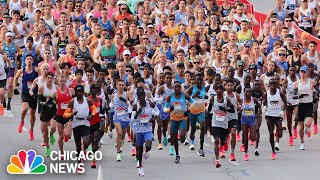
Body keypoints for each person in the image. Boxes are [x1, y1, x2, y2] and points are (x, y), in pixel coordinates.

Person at [63, 84, 97, 174]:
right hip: (76, 124)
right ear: (76, 92)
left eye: (81, 91)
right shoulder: (72, 102)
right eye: (78, 91)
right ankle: (79, 165)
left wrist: (91, 115)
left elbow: (94, 110)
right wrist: (71, 114)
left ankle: (84, 148)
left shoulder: (88, 101)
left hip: (85, 123)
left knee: (86, 141)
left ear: (83, 92)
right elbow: (65, 114)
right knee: (78, 146)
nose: (79, 93)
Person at [164, 81, 193, 163]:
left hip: (182, 118)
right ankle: (177, 155)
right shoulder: (170, 97)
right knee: (174, 138)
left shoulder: (184, 96)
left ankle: (183, 138)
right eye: (175, 87)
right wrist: (169, 109)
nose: (177, 88)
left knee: (182, 136)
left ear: (181, 88)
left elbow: (193, 102)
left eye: (178, 87)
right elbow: (165, 108)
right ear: (173, 88)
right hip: (173, 119)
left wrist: (189, 110)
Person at [14, 54, 39, 140]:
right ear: (25, 61)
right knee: (24, 108)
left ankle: (31, 130)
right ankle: (22, 122)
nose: (29, 60)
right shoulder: (21, 71)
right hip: (25, 93)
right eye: (27, 59)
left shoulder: (36, 70)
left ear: (32, 61)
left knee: (32, 114)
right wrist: (14, 87)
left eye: (30, 59)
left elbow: (41, 79)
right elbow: (15, 78)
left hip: (34, 94)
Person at [208, 84, 234, 168]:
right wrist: (208, 111)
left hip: (224, 123)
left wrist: (225, 109)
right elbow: (209, 109)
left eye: (220, 89)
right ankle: (217, 160)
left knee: (222, 141)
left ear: (223, 91)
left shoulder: (227, 100)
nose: (219, 90)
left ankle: (225, 141)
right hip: (215, 122)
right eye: (217, 89)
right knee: (216, 140)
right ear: (215, 90)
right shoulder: (213, 99)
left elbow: (233, 110)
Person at [132, 86, 155, 176]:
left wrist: (153, 119)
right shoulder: (135, 106)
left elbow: (157, 111)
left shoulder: (149, 104)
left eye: (142, 94)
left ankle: (146, 151)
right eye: (139, 95)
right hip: (139, 130)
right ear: (137, 96)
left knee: (148, 145)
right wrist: (138, 113)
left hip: (148, 129)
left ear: (144, 95)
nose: (141, 96)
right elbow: (132, 120)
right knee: (139, 151)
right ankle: (140, 166)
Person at [293, 66, 316, 150]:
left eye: (304, 72)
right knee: (301, 126)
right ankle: (302, 142)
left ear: (307, 73)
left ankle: (308, 128)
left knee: (307, 123)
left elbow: (315, 90)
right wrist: (298, 96)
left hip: (309, 104)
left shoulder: (311, 82)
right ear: (299, 73)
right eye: (301, 72)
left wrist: (314, 94)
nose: (303, 74)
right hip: (301, 105)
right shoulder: (296, 83)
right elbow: (294, 95)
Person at [263, 78, 287, 160]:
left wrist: (282, 110)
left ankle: (278, 131)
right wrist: (264, 108)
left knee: (279, 134)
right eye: (271, 84)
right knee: (270, 133)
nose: (273, 86)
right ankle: (273, 151)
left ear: (277, 85)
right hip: (269, 115)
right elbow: (264, 102)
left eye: (274, 84)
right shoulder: (266, 94)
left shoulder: (280, 93)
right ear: (269, 85)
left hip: (278, 115)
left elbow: (286, 103)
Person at [51, 75, 74, 157]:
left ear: (66, 82)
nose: (62, 83)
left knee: (68, 135)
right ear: (58, 82)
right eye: (61, 81)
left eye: (64, 81)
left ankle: (66, 131)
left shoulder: (71, 91)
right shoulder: (55, 93)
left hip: (68, 115)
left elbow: (76, 100)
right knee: (60, 136)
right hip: (59, 116)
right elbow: (51, 104)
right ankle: (61, 152)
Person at [111, 79, 134, 162]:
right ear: (116, 86)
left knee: (122, 135)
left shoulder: (127, 94)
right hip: (117, 117)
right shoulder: (113, 95)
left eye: (122, 85)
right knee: (119, 133)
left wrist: (129, 101)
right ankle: (118, 153)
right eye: (119, 85)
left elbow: (132, 101)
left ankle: (121, 141)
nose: (121, 87)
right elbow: (112, 106)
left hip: (125, 118)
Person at [185, 73, 207, 156]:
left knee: (203, 126)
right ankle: (192, 138)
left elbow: (207, 98)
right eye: (197, 80)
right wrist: (194, 95)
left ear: (202, 81)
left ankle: (201, 148)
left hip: (201, 111)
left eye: (200, 80)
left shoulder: (205, 89)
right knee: (193, 129)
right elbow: (185, 96)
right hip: (192, 111)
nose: (199, 81)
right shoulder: (192, 88)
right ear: (195, 80)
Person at [38, 71, 57, 157]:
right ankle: (48, 148)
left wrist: (52, 102)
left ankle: (52, 134)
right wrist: (44, 104)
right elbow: (39, 100)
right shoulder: (42, 88)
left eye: (51, 78)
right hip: (44, 111)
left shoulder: (56, 88)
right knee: (44, 132)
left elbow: (58, 98)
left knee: (53, 127)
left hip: (53, 110)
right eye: (48, 78)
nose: (49, 80)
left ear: (53, 79)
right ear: (46, 79)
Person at [241, 86, 261, 161]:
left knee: (253, 138)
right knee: (245, 137)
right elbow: (238, 107)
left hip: (252, 119)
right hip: (244, 119)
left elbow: (259, 107)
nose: (248, 93)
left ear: (251, 92)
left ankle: (251, 134)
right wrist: (239, 110)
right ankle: (246, 153)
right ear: (244, 92)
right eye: (246, 91)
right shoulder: (242, 100)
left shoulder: (254, 100)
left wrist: (258, 113)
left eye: (249, 91)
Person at [282, 66, 298, 146]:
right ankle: (290, 136)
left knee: (297, 116)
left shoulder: (298, 79)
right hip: (289, 102)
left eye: (293, 70)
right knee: (289, 122)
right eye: (290, 70)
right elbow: (283, 90)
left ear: (295, 71)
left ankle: (295, 127)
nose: (292, 72)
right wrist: (284, 88)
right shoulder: (286, 80)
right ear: (288, 71)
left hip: (297, 101)